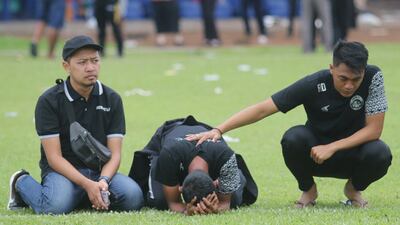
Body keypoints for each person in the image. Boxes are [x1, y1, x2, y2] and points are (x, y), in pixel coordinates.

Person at [186, 41, 392, 208]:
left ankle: (353, 189)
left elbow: (374, 130)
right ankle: (308, 189)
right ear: (331, 69)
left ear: (364, 72)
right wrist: (219, 129)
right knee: (293, 138)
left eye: (356, 79)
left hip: (351, 154)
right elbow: (263, 108)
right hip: (315, 156)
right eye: (343, 78)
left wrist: (332, 147)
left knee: (380, 152)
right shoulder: (314, 84)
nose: (349, 85)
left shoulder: (373, 77)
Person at [8, 35, 143, 214]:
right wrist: (87, 184)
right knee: (55, 207)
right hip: (62, 172)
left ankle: (82, 195)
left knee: (133, 197)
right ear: (66, 66)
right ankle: (21, 182)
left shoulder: (112, 99)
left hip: (98, 171)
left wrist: (102, 181)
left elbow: (115, 154)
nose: (90, 68)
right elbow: (54, 157)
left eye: (95, 61)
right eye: (82, 62)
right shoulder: (49, 101)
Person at [129, 116, 258, 215]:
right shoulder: (169, 154)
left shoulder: (225, 156)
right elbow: (173, 202)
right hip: (172, 131)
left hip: (208, 135)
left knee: (234, 199)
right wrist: (186, 210)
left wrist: (217, 209)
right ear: (180, 186)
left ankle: (231, 176)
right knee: (160, 201)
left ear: (215, 182)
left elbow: (226, 203)